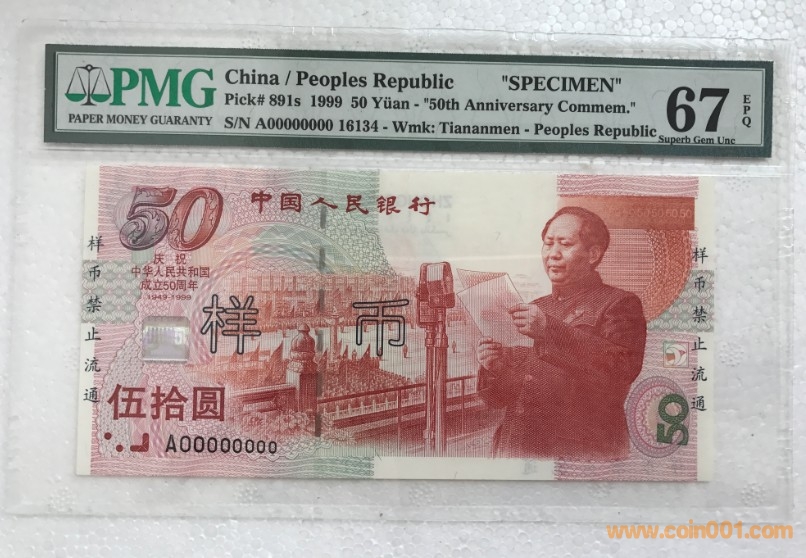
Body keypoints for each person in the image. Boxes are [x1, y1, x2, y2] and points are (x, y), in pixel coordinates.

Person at [476, 206, 646, 461]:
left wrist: (548, 330)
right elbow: (501, 399)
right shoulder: (537, 307)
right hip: (517, 449)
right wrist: (495, 367)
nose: (553, 254)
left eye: (565, 244)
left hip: (578, 455)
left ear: (593, 254)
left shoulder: (619, 303)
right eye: (548, 244)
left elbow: (622, 368)